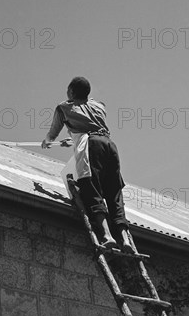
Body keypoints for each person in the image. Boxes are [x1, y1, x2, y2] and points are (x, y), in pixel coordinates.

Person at [41, 76, 134, 253]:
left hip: (91, 146)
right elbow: (90, 124)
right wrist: (73, 138)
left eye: (68, 89)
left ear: (72, 92)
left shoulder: (64, 108)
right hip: (109, 146)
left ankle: (107, 236)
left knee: (91, 189)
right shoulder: (99, 105)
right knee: (114, 194)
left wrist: (48, 141)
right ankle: (125, 239)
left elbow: (53, 132)